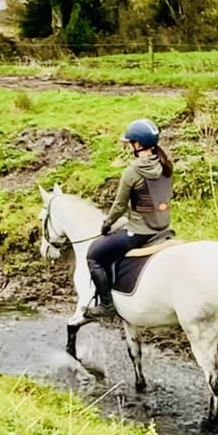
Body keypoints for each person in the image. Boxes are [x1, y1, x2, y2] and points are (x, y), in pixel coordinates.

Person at [85, 118, 174, 319]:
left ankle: (106, 306)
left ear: (138, 145)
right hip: (163, 228)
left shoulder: (132, 172)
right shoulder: (166, 166)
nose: (129, 147)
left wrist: (106, 225)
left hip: (140, 232)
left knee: (94, 255)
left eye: (131, 143)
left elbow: (119, 206)